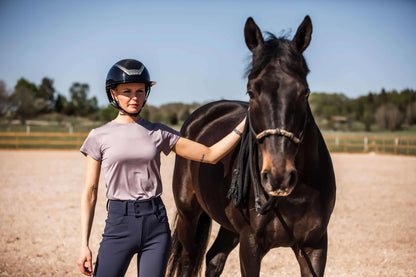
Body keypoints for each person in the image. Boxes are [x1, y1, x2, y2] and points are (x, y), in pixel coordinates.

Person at [77, 59, 246, 277]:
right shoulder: (98, 136)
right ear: (113, 94)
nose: (134, 98)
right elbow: (90, 193)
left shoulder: (159, 132)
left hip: (155, 224)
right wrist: (84, 244)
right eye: (127, 91)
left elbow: (210, 154)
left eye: (140, 91)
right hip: (119, 224)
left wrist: (243, 125)